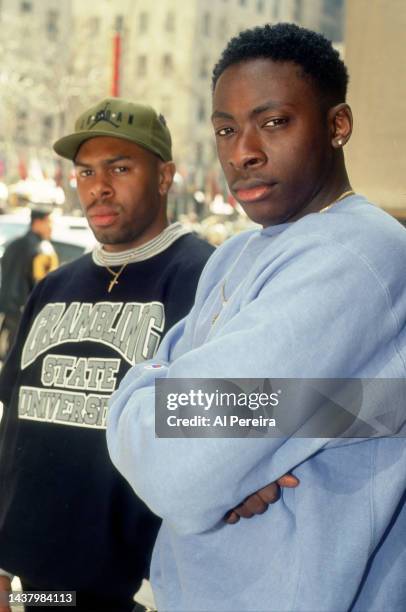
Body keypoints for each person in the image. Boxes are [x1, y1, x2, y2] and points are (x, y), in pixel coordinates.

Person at [107, 24, 406, 612]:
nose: (242, 151)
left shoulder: (355, 254)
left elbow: (177, 467)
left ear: (337, 125)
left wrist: (176, 410)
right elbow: (184, 435)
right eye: (225, 128)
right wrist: (238, 447)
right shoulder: (238, 254)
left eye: (274, 122)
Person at [0, 98, 216, 612]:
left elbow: (245, 416)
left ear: (164, 176)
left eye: (120, 168)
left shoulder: (206, 277)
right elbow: (17, 426)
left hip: (151, 586)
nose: (99, 186)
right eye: (86, 171)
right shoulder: (53, 286)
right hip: (46, 588)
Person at [0, 207, 58, 359]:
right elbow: (45, 284)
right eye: (50, 222)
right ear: (38, 223)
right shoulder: (43, 249)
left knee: (11, 355)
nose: (52, 227)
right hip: (30, 311)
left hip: (9, 309)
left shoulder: (13, 245)